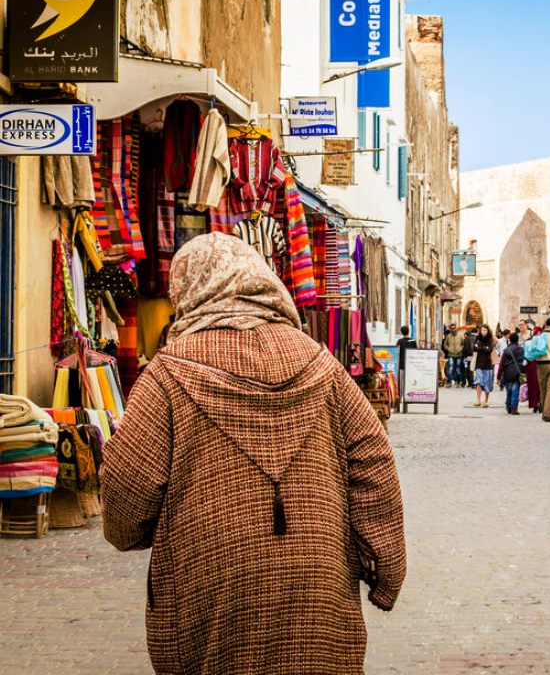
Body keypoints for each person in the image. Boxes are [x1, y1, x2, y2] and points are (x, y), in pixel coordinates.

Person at [100, 233, 406, 675]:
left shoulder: (167, 373)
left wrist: (131, 531)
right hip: (317, 573)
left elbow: (128, 483)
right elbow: (375, 467)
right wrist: (385, 564)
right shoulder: (323, 364)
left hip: (207, 573)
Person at [497, 332, 525, 415]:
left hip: (507, 373)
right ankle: (514, 408)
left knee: (509, 390)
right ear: (517, 340)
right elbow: (524, 362)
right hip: (517, 372)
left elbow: (501, 364)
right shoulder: (521, 349)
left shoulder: (506, 350)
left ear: (509, 340)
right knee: (515, 390)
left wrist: (498, 376)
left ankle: (508, 406)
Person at [472, 324, 496, 408]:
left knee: (487, 383)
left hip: (488, 364)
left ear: (488, 331)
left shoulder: (490, 339)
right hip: (479, 364)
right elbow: (474, 348)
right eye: (482, 330)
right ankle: (478, 400)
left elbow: (489, 349)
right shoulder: (477, 338)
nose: (483, 332)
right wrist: (483, 348)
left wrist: (480, 347)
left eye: (485, 330)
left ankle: (486, 401)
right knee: (478, 382)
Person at [441, 323, 465, 387]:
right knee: (451, 368)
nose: (453, 329)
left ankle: (458, 382)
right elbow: (444, 345)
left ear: (456, 328)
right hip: (451, 354)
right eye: (452, 328)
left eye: (454, 328)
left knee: (458, 369)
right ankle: (449, 382)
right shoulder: (448, 336)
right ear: (450, 329)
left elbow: (463, 343)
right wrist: (449, 349)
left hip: (459, 354)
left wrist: (460, 348)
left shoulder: (460, 336)